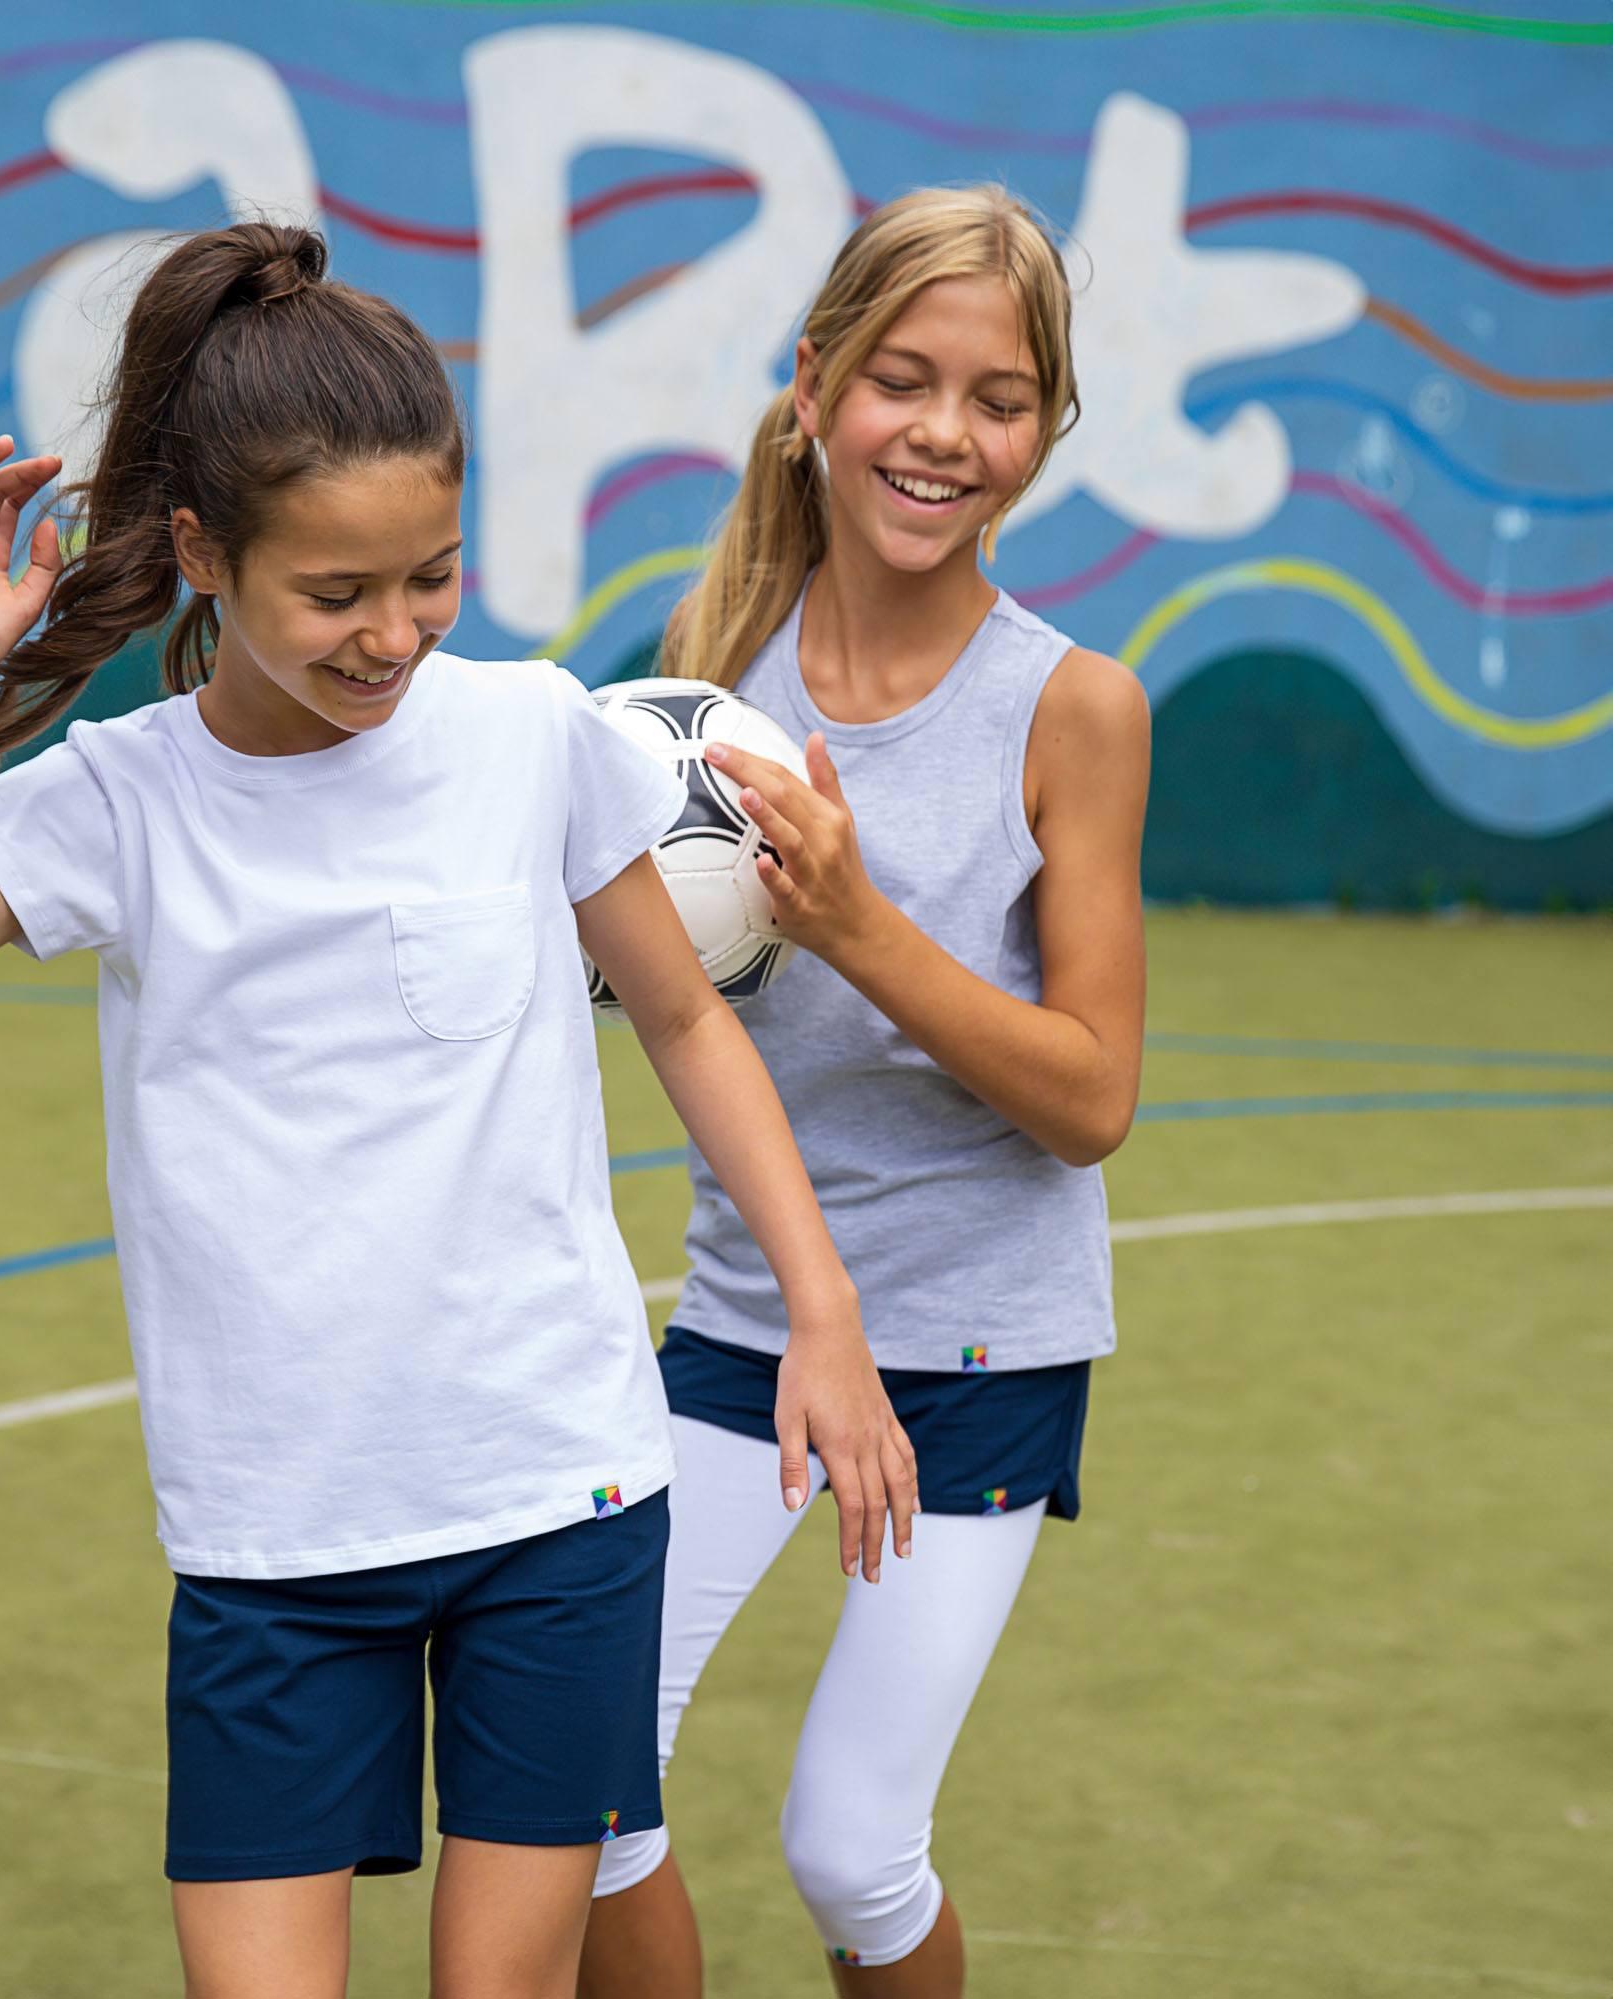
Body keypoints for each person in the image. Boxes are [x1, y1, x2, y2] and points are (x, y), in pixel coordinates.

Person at [0, 221, 918, 1999]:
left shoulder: (532, 734)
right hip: (275, 1547)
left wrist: (824, 1311)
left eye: (428, 577)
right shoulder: (114, 802)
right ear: (202, 551)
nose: (393, 635)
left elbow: (684, 1017)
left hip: (553, 1502)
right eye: (335, 595)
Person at [580, 186, 1150, 1998]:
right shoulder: (702, 683)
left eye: (998, 400)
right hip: (750, 1321)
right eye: (905, 380)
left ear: (1044, 432)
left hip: (978, 1354)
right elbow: (675, 1011)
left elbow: (1091, 1099)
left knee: (847, 1846)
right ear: (815, 384)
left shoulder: (1074, 708)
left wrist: (858, 925)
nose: (946, 434)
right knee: (579, 1789)